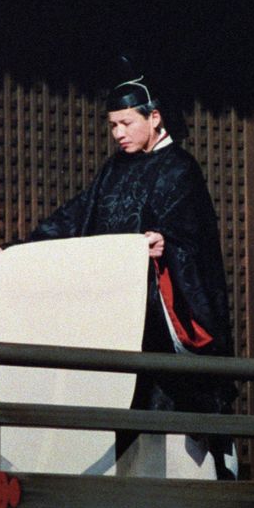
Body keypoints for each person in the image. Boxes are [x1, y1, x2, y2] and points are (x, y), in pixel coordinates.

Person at [25, 61, 237, 479]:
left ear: (154, 118)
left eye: (126, 123)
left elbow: (195, 244)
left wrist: (165, 246)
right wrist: (24, 246)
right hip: (116, 319)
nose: (118, 133)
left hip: (160, 321)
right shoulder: (113, 170)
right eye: (112, 125)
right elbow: (77, 216)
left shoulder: (180, 169)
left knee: (169, 431)